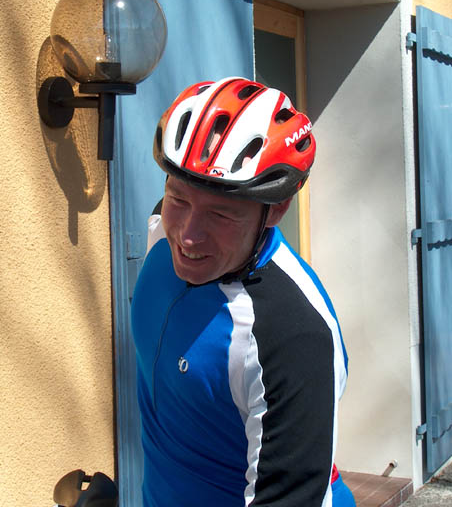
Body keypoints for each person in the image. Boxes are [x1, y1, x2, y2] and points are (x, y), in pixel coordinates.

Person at [131, 77, 355, 507]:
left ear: (277, 209)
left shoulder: (292, 336)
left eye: (221, 214)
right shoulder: (164, 232)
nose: (188, 236)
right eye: (178, 198)